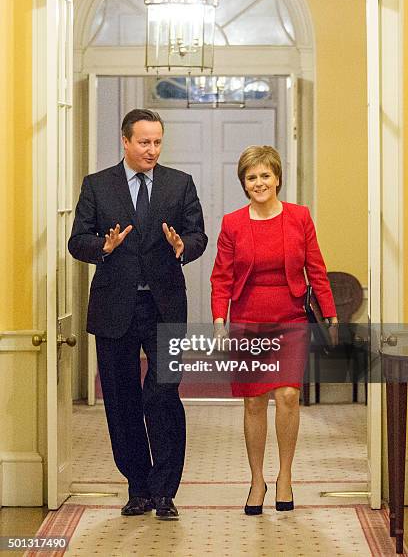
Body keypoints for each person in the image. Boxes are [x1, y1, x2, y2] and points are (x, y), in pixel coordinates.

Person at [68, 109, 207, 520]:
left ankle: (165, 491)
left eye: (158, 142)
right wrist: (104, 248)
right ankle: (138, 488)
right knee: (122, 399)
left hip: (164, 307)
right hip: (115, 307)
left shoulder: (180, 184)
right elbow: (78, 241)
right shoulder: (97, 186)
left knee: (163, 395)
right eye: (144, 142)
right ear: (125, 142)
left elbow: (198, 235)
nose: (152, 149)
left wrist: (183, 246)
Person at [210, 145, 337, 515]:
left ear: (277, 178)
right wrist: (220, 320)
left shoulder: (299, 217)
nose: (259, 182)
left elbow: (316, 268)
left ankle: (284, 475)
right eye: (252, 177)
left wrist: (330, 315)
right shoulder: (233, 223)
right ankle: (256, 480)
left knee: (287, 397)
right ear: (244, 183)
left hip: (291, 317)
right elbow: (222, 276)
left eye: (266, 175)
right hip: (248, 319)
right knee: (254, 402)